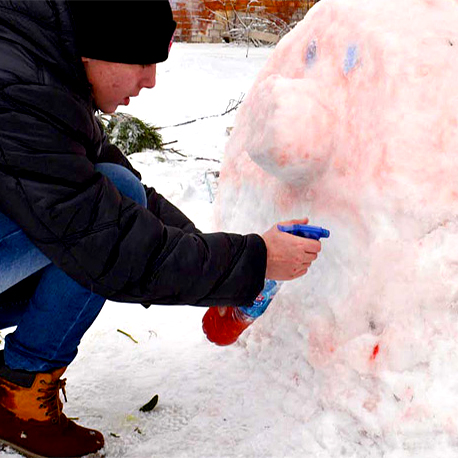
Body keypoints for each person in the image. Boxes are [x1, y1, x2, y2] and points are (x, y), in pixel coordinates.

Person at [0, 1, 322, 457]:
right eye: (142, 62)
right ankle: (19, 398)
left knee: (114, 193)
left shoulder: (43, 69)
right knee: (96, 232)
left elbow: (128, 196)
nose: (150, 80)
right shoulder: (19, 90)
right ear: (97, 50)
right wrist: (255, 260)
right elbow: (110, 241)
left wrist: (221, 264)